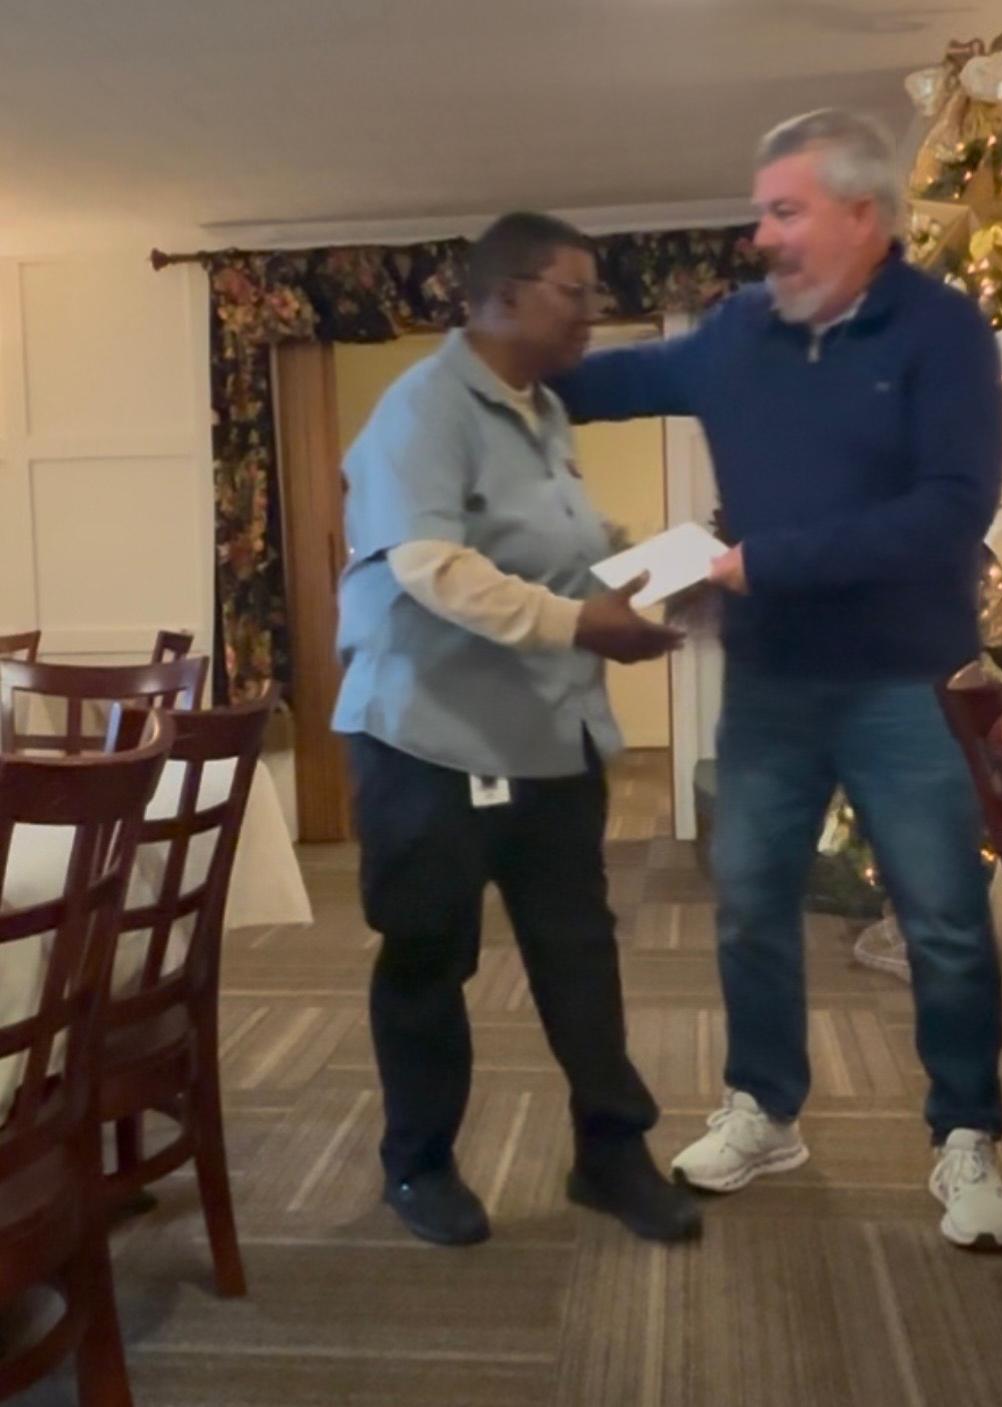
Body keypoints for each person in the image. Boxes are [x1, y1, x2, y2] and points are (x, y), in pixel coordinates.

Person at [551, 111, 1002, 1250]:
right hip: (770, 683)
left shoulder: (944, 333)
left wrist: (766, 562)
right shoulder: (737, 332)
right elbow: (610, 382)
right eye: (762, 211)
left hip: (906, 684)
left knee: (945, 924)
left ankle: (966, 1132)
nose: (760, 235)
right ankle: (765, 1109)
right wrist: (491, 373)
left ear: (863, 215)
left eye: (784, 211)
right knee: (751, 907)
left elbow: (952, 510)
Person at [332, 211, 701, 1247]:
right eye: (572, 292)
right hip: (426, 741)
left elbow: (563, 552)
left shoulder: (540, 413)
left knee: (578, 952)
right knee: (428, 957)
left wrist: (665, 569)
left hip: (547, 734)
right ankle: (418, 1166)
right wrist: (585, 623)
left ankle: (610, 1155)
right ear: (499, 296)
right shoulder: (423, 409)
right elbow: (431, 566)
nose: (591, 314)